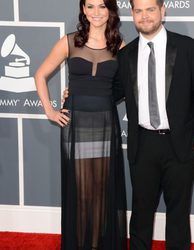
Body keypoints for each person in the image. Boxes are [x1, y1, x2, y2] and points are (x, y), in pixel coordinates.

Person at [116, 0, 194, 249]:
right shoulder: (125, 54)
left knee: (178, 215)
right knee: (140, 214)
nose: (145, 16)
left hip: (180, 143)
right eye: (138, 11)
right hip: (143, 144)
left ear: (163, 11)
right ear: (132, 14)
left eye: (150, 9)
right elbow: (112, 91)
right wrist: (77, 95)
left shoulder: (187, 47)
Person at [34, 0, 127, 249]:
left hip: (106, 124)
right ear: (83, 10)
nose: (96, 12)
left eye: (102, 6)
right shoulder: (69, 41)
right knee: (82, 193)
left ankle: (97, 244)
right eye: (91, 6)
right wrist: (50, 111)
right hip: (76, 125)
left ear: (110, 10)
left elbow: (125, 88)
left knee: (101, 193)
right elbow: (40, 74)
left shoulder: (120, 45)